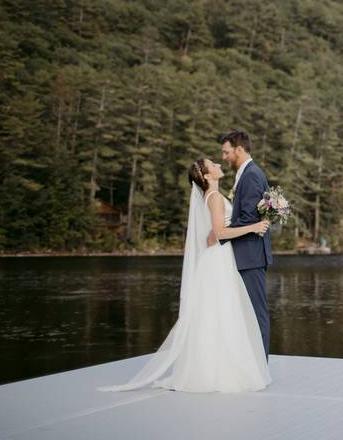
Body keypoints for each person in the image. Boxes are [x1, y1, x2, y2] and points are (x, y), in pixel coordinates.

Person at [99, 158, 271, 393]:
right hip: (219, 260)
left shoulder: (211, 197)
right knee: (223, 312)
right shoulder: (215, 197)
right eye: (212, 164)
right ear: (207, 175)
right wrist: (253, 227)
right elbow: (220, 233)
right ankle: (219, 371)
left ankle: (215, 367)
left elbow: (213, 233)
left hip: (218, 258)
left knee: (219, 314)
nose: (218, 164)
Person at [218, 130, 273, 356]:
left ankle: (261, 363)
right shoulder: (245, 173)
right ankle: (251, 362)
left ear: (239, 149)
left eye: (226, 152)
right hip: (246, 253)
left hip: (250, 255)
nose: (224, 157)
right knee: (246, 312)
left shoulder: (250, 174)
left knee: (256, 312)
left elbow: (250, 218)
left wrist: (220, 233)